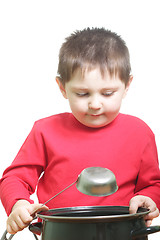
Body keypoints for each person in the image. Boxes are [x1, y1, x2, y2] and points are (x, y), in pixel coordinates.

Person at [0, 27, 160, 235]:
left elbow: (153, 183)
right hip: (61, 234)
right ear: (63, 87)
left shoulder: (140, 131)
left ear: (127, 85)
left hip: (123, 233)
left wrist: (149, 199)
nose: (95, 104)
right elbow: (15, 178)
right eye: (83, 94)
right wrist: (18, 204)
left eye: (108, 93)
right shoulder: (45, 130)